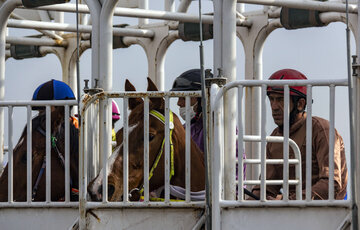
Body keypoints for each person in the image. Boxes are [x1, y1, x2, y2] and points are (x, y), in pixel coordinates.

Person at [251, 69, 348, 200]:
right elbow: (267, 187)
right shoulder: (275, 138)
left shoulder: (322, 130)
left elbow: (331, 184)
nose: (274, 107)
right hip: (292, 213)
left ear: (300, 104)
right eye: (271, 99)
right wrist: (246, 203)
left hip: (328, 214)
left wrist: (290, 201)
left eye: (280, 99)